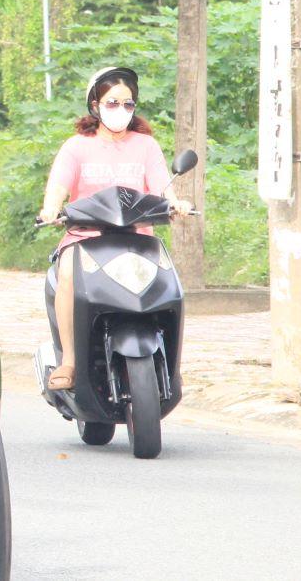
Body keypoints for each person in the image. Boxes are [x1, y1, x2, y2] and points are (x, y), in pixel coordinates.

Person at [37, 66, 192, 389]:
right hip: (85, 237)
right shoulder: (77, 146)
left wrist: (176, 203)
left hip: (137, 237)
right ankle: (69, 361)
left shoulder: (145, 145)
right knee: (67, 276)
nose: (120, 110)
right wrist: (51, 208)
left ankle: (169, 363)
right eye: (112, 103)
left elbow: (163, 186)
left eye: (128, 104)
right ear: (95, 105)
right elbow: (58, 185)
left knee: (169, 284)